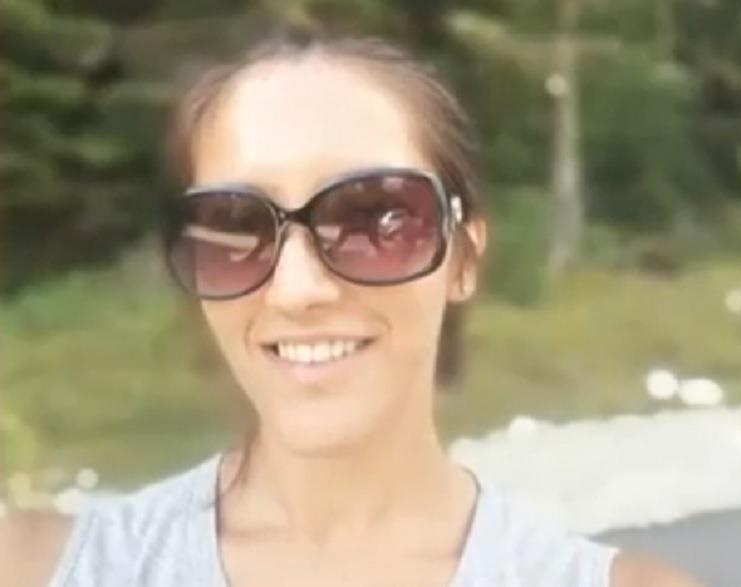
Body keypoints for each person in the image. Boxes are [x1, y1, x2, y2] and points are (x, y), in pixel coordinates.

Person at [0, 32, 704, 587]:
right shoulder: (36, 567)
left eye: (376, 219)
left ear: (463, 256)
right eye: (236, 225)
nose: (297, 288)